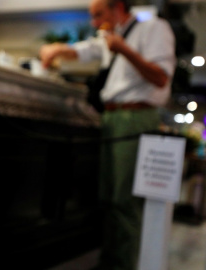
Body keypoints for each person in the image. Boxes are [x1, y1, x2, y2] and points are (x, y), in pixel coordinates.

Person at [39, 0, 176, 269]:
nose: (94, 22)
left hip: (135, 117)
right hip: (112, 117)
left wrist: (124, 50)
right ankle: (111, 261)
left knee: (125, 200)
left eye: (98, 14)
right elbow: (84, 50)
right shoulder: (113, 37)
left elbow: (161, 78)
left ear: (118, 7)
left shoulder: (153, 28)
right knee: (109, 198)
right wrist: (56, 49)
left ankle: (122, 264)